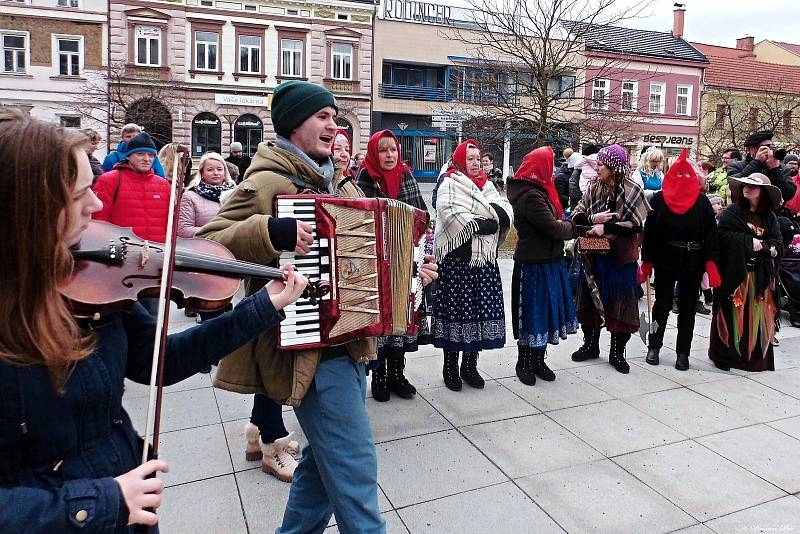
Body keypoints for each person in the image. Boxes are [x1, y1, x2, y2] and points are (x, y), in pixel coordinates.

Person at [0, 109, 307, 533]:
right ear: (25, 210)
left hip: (129, 509)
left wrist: (262, 307)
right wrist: (101, 501)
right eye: (78, 196)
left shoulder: (92, 287)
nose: (96, 205)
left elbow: (162, 359)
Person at [197, 81, 437, 532]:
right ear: (293, 123)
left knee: (321, 467)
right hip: (310, 346)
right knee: (354, 467)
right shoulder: (268, 180)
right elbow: (207, 244)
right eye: (322, 116)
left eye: (335, 116)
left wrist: (406, 278)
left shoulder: (337, 179)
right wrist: (273, 231)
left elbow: (369, 253)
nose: (333, 124)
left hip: (349, 341)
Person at [433, 139, 513, 390]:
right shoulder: (449, 182)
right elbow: (451, 214)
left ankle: (469, 366)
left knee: (477, 316)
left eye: (478, 158)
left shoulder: (487, 185)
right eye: (470, 158)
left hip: (482, 265)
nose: (476, 163)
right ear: (459, 160)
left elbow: (505, 211)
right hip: (456, 265)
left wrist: (486, 220)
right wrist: (485, 222)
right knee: (455, 316)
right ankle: (450, 367)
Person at [356, 130, 428, 401]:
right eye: (384, 151)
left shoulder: (405, 176)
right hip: (376, 260)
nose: (389, 156)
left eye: (393, 150)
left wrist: (418, 235)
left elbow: (422, 214)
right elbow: (361, 217)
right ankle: (380, 377)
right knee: (382, 317)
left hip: (404, 258)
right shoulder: (364, 177)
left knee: (401, 315)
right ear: (375, 153)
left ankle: (398, 373)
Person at [571, 145, 650, 373]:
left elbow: (635, 225)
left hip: (620, 256)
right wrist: (592, 219)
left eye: (602, 165)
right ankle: (590, 345)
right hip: (595, 253)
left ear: (614, 168)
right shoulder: (594, 186)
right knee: (589, 300)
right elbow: (577, 214)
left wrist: (605, 227)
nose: (597, 167)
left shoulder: (633, 189)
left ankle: (617, 352)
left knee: (621, 303)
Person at [639, 149, 721, 371]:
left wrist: (710, 264)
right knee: (661, 306)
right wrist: (647, 261)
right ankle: (654, 346)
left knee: (687, 309)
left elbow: (711, 235)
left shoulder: (702, 203)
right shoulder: (659, 200)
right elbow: (651, 233)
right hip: (666, 258)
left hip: (692, 261)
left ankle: (683, 352)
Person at [507, 146, 578, 385]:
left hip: (549, 261)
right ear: (541, 167)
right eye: (550, 164)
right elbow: (554, 228)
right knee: (531, 314)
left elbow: (558, 222)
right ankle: (524, 361)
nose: (554, 168)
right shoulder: (530, 195)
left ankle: (538, 359)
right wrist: (572, 227)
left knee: (545, 313)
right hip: (534, 264)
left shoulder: (541, 190)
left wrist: (565, 222)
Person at [709, 173, 782, 372]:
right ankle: (724, 355)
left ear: (763, 193)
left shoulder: (770, 218)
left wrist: (766, 247)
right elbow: (722, 236)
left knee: (755, 316)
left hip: (759, 276)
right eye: (745, 185)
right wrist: (746, 241)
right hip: (735, 273)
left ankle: (753, 358)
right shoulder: (732, 212)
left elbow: (778, 244)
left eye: (753, 187)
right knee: (729, 313)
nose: (747, 189)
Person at [92, 132, 170, 244]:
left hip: (159, 253)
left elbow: (171, 221)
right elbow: (99, 219)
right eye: (140, 154)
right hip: (123, 251)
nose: (147, 159)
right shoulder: (109, 180)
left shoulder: (163, 184)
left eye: (151, 155)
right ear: (128, 156)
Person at [728, 130, 796, 205]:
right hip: (744, 212)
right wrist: (757, 163)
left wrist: (774, 170)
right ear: (749, 149)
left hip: (772, 213)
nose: (769, 150)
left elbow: (789, 194)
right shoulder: (736, 166)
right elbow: (733, 185)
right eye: (764, 147)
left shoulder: (781, 168)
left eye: (771, 147)